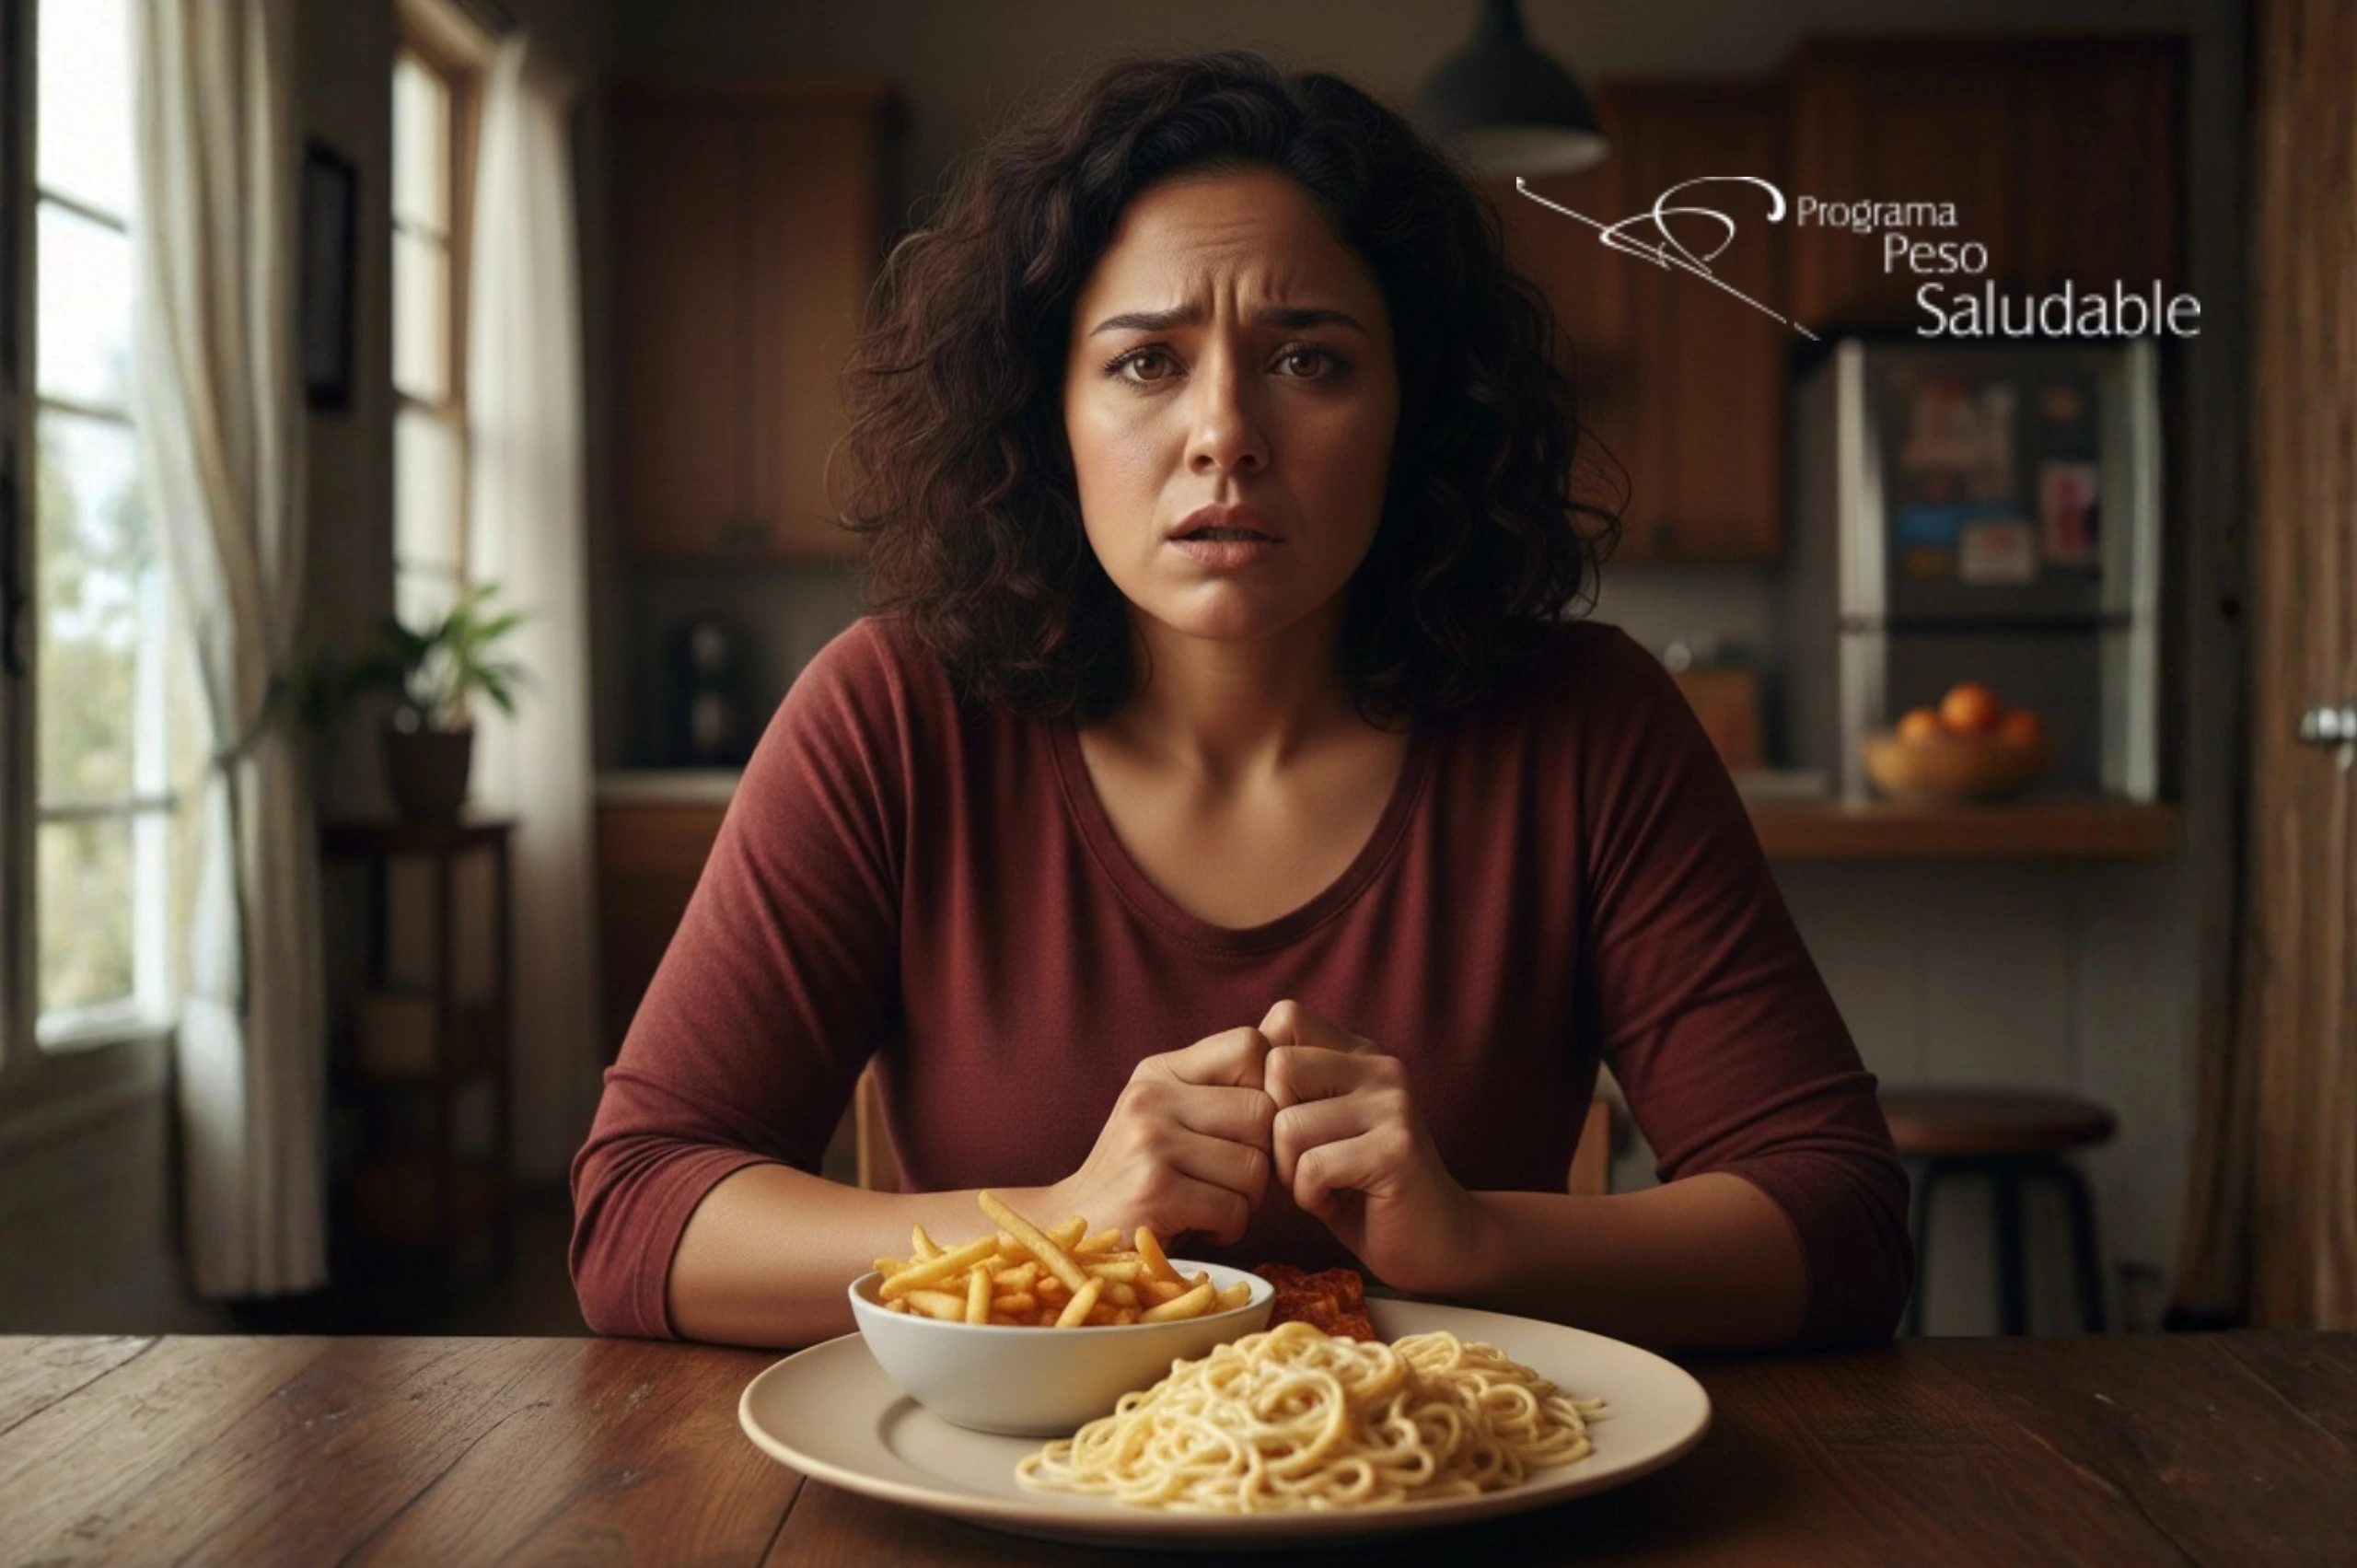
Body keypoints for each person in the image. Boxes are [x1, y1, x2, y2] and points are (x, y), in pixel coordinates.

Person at [571, 49, 1911, 1353]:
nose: (1226, 432)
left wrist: (1477, 1243)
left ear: (1416, 411)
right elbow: (638, 1211)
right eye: (1147, 362)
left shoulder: (1587, 724)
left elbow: (1840, 1219)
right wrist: (1058, 1224)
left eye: (1309, 360)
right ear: (1048, 419)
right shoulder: (890, 716)